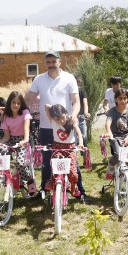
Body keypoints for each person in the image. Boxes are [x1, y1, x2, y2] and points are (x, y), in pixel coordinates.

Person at [26, 51, 91, 203]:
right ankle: (46, 190)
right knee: (47, 160)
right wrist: (16, 112)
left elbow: (76, 101)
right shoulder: (39, 79)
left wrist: (73, 116)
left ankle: (79, 191)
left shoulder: (69, 78)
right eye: (48, 61)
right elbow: (28, 99)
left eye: (53, 61)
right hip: (46, 127)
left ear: (59, 62)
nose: (51, 64)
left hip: (65, 127)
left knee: (71, 160)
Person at [0, 91, 36, 194]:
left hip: (23, 140)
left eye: (18, 103)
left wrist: (25, 140)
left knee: (20, 163)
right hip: (11, 140)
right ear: (9, 103)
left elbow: (26, 129)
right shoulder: (6, 116)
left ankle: (29, 180)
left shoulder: (25, 113)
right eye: (13, 102)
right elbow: (6, 136)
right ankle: (3, 176)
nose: (16, 105)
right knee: (0, 152)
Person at [44, 103, 84, 197]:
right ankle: (53, 182)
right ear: (53, 118)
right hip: (57, 147)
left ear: (65, 113)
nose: (61, 121)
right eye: (58, 119)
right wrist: (55, 110)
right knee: (55, 166)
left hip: (70, 148)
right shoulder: (53, 121)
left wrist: (81, 143)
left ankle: (74, 187)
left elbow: (78, 132)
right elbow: (46, 106)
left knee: (73, 171)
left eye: (63, 117)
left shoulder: (71, 120)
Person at [105, 89, 128, 189]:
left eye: (125, 98)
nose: (123, 100)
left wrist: (127, 138)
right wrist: (109, 132)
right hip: (115, 137)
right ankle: (111, 164)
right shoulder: (112, 111)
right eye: (120, 98)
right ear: (116, 99)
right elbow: (108, 122)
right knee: (117, 154)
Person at [76, 76, 91, 149]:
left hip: (81, 117)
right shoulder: (70, 92)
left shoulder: (82, 92)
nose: (78, 86)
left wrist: (85, 112)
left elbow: (85, 103)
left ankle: (86, 158)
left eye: (79, 84)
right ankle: (74, 158)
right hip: (73, 118)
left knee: (83, 138)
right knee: (74, 140)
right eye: (77, 84)